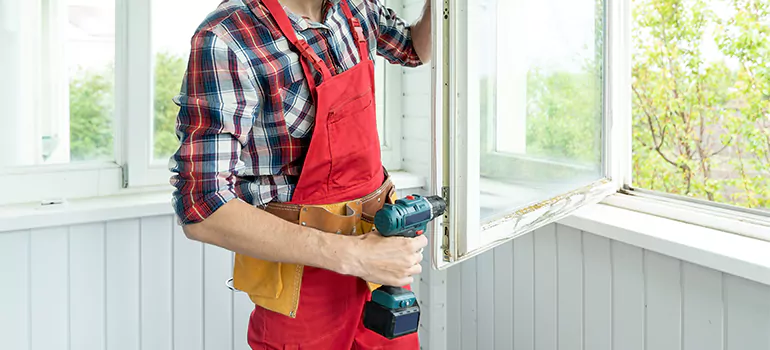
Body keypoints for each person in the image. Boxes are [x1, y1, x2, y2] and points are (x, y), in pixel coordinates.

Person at [168, 0, 432, 348]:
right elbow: (202, 208)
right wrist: (354, 256)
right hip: (301, 284)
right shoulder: (228, 37)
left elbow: (414, 48)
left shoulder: (355, 8)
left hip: (380, 266)